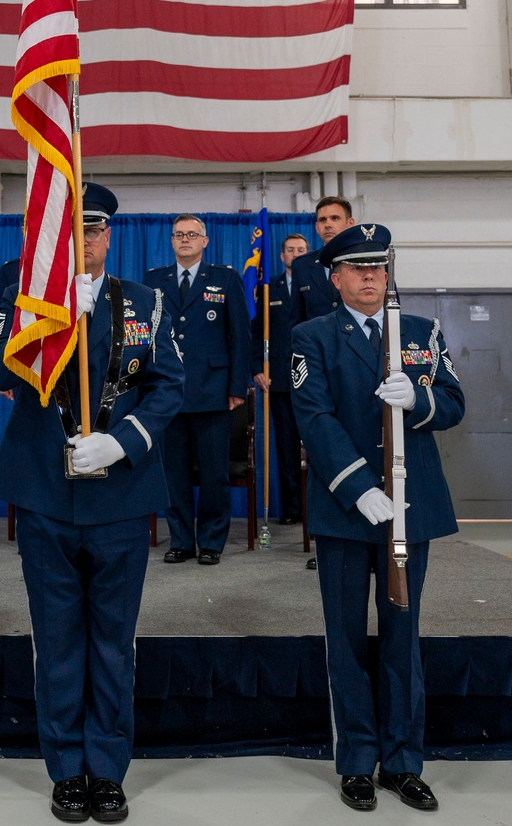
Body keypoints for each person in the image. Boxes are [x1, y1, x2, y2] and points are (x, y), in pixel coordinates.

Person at [0, 183, 185, 824]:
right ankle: (66, 769)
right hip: (46, 492)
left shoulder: (147, 303)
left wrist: (123, 443)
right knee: (58, 641)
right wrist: (43, 323)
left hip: (121, 496)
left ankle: (108, 769)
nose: (85, 241)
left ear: (110, 235)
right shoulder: (26, 289)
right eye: (74, 229)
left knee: (112, 642)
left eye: (95, 230)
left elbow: (167, 388)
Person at [290, 223, 465, 814]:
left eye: (378, 267)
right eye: (357, 268)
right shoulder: (312, 336)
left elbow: (455, 403)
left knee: (401, 639)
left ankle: (404, 761)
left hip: (410, 512)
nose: (370, 277)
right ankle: (357, 762)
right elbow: (314, 417)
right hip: (348, 511)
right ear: (335, 277)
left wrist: (420, 401)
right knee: (345, 640)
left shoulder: (420, 331)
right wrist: (360, 488)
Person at [145, 215, 251, 565]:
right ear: (172, 241)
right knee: (172, 473)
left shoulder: (225, 278)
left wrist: (238, 386)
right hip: (167, 392)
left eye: (192, 234)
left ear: (205, 241)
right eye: (179, 235)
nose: (185, 240)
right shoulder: (153, 280)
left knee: (213, 474)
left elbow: (239, 336)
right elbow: (145, 340)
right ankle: (180, 540)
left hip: (213, 391)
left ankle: (210, 541)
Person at [252, 232, 310, 524]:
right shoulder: (267, 287)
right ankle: (292, 511)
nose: (296, 254)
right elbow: (254, 331)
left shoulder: (318, 285)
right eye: (291, 250)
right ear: (281, 256)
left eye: (301, 250)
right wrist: (256, 369)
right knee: (286, 449)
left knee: (316, 448)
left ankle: (316, 511)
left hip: (313, 379)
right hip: (278, 380)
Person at [290, 196, 355, 327]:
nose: (328, 224)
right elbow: (296, 320)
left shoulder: (371, 262)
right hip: (316, 345)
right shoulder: (302, 266)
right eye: (322, 220)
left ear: (350, 223)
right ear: (317, 227)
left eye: (335, 218)